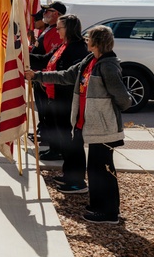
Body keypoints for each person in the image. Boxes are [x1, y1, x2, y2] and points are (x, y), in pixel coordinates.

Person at [27, 25, 131, 224]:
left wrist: (104, 112)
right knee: (95, 169)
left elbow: (124, 99)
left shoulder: (108, 66)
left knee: (103, 170)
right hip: (89, 126)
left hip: (104, 129)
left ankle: (109, 212)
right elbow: (65, 75)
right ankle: (98, 206)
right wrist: (37, 75)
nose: (86, 40)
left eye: (89, 37)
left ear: (97, 41)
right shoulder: (89, 60)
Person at [30, 13, 89, 180]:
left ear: (69, 28)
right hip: (55, 99)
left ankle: (75, 178)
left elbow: (68, 76)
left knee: (70, 141)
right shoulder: (63, 46)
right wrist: (23, 56)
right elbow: (44, 60)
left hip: (68, 101)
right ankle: (68, 173)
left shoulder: (78, 48)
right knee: (63, 139)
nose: (57, 31)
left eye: (59, 28)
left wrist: (39, 76)